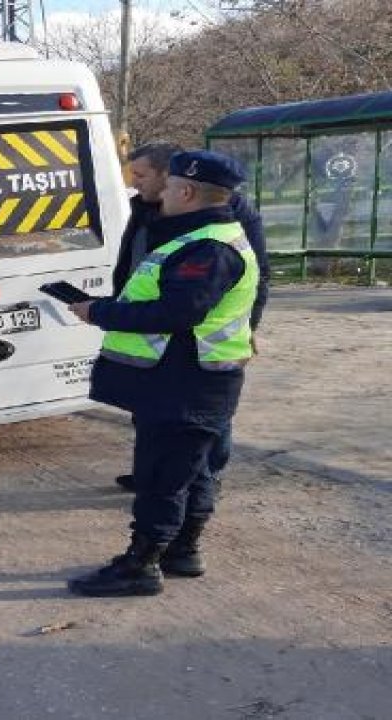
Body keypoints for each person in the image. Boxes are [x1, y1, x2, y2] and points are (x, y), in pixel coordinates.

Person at [66, 150, 259, 596]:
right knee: (188, 473)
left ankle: (141, 565)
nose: (158, 193)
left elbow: (177, 311)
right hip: (194, 380)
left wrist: (100, 312)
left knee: (161, 478)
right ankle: (181, 552)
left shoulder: (207, 247)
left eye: (168, 186)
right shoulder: (204, 236)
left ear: (187, 192)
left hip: (186, 384)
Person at [111, 143, 270, 494]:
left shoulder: (228, 213)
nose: (134, 182)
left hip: (200, 339)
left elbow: (257, 274)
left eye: (141, 175)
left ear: (172, 180)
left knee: (203, 417)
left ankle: (204, 479)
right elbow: (133, 263)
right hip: (151, 327)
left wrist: (249, 327)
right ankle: (150, 473)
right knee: (151, 409)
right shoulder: (146, 208)